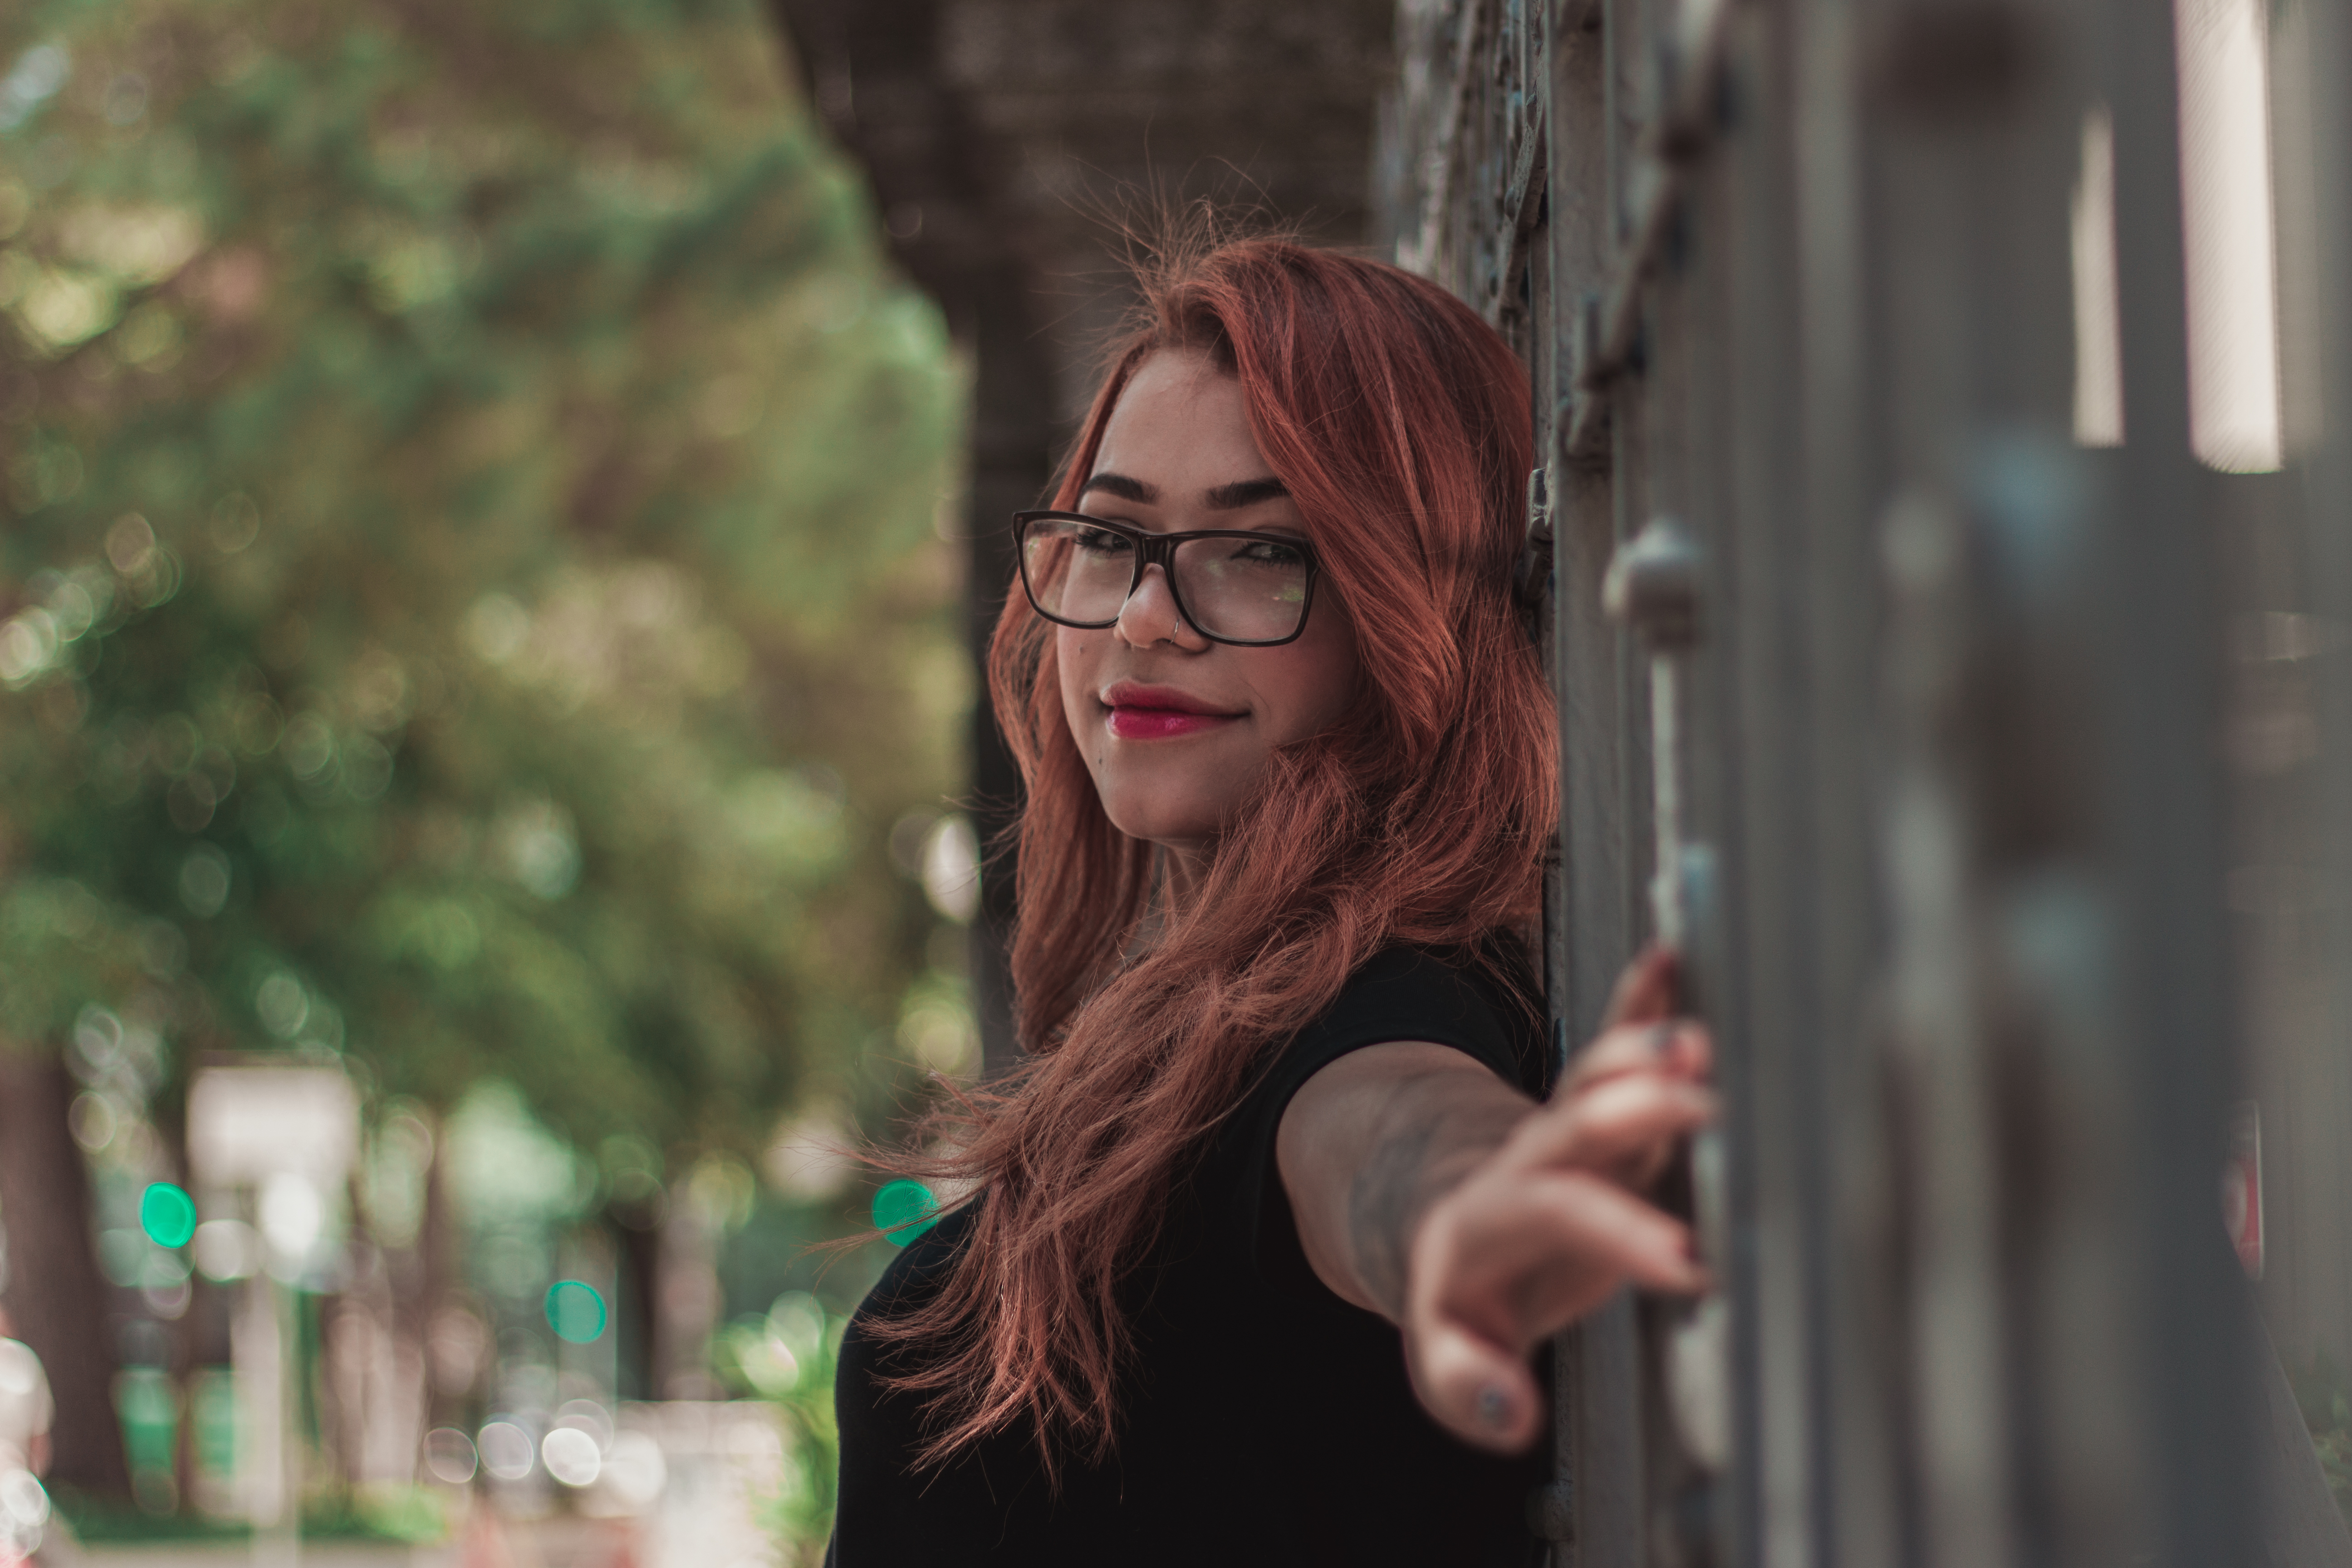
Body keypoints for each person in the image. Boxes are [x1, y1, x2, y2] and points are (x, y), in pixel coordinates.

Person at [827, 237, 1714, 1565]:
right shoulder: (1190, 1029)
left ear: (1402, 608)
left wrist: (1472, 1214)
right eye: (1113, 535)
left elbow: (1389, 1129)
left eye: (1255, 548)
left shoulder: (1379, 1007)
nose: (1145, 617)